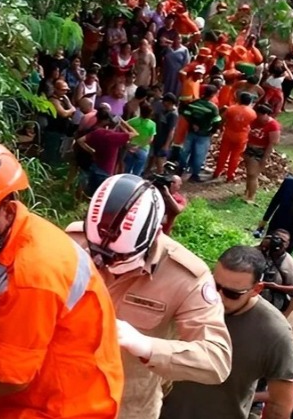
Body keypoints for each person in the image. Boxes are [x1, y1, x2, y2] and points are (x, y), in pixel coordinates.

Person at [0, 138, 123, 418]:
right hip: (23, 397)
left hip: (57, 409)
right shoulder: (3, 242)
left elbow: (12, 378)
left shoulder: (32, 274)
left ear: (5, 208)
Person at [65, 174, 232, 419]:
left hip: (125, 408)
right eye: (95, 252)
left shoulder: (186, 278)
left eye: (119, 258)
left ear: (154, 234)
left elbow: (216, 360)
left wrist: (144, 345)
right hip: (58, 396)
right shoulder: (74, 240)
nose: (104, 265)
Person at [159, 246, 293, 419]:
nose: (218, 297)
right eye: (214, 285)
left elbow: (279, 405)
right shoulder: (191, 298)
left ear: (257, 289)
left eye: (232, 294)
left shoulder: (275, 333)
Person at [213, 91, 258, 183]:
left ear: (239, 99)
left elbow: (223, 119)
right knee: (235, 156)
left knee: (223, 154)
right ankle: (230, 175)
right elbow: (251, 125)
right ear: (249, 102)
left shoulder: (231, 109)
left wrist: (221, 128)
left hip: (229, 134)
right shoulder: (252, 113)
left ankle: (217, 172)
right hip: (242, 136)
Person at [243, 103, 281, 203]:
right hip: (249, 148)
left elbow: (273, 143)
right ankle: (247, 191)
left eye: (260, 115)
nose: (258, 117)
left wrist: (265, 158)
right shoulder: (254, 121)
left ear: (266, 114)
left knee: (253, 174)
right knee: (249, 173)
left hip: (260, 151)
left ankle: (251, 196)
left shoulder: (273, 125)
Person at [258, 230, 293, 313]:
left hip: (272, 302)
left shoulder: (288, 262)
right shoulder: (260, 251)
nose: (278, 242)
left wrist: (273, 286)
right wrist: (261, 246)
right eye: (276, 239)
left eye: (283, 241)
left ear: (287, 244)